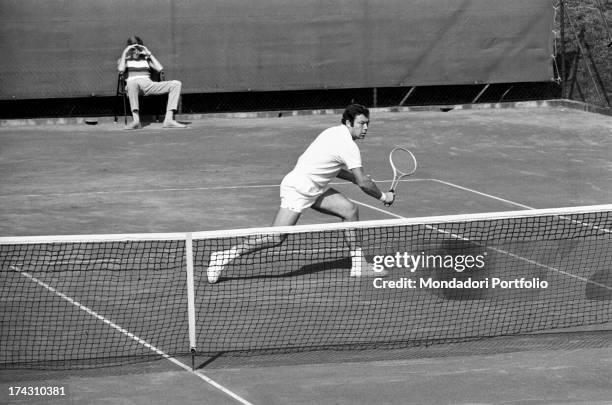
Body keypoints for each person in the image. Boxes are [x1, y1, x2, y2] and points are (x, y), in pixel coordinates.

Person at [207, 104, 395, 284]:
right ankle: (224, 256)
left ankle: (358, 265)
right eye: (362, 123)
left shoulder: (332, 132)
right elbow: (363, 182)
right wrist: (383, 196)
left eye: (367, 124)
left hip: (315, 188)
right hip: (299, 190)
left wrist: (353, 178)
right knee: (275, 238)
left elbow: (333, 168)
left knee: (350, 210)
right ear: (348, 123)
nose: (365, 128)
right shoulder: (348, 145)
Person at [117, 36, 186, 129]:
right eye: (133, 49)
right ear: (129, 49)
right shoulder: (124, 60)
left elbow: (160, 68)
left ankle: (169, 120)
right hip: (133, 86)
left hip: (149, 85)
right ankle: (136, 121)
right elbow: (121, 70)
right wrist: (125, 52)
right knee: (131, 84)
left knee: (176, 84)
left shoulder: (146, 59)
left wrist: (149, 53)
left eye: (138, 48)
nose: (136, 51)